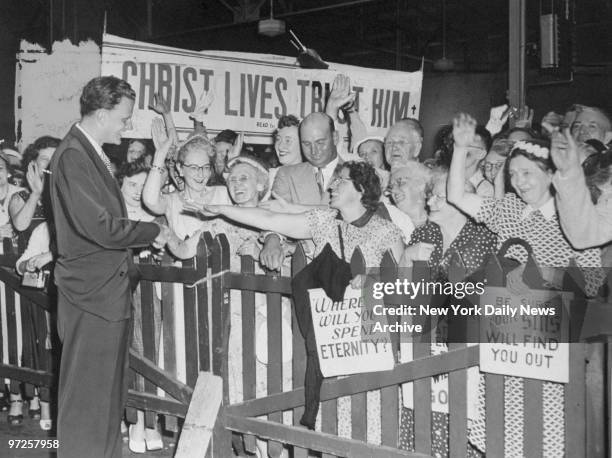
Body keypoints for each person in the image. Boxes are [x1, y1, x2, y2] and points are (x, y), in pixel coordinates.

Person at [185, 160, 404, 439]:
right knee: (330, 418)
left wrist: (373, 281)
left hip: (370, 338)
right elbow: (270, 221)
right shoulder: (323, 222)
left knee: (370, 417)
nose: (332, 186)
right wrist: (221, 209)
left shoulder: (387, 231)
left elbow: (406, 285)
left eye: (341, 181)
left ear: (361, 189)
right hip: (329, 336)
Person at [447, 113, 602, 458]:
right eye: (513, 174)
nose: (519, 181)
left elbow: (594, 281)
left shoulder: (574, 216)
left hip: (553, 350)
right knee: (503, 436)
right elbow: (457, 195)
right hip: (506, 343)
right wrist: (460, 149)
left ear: (551, 173)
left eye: (527, 173)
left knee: (547, 439)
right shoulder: (509, 210)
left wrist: (546, 279)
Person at [48, 76, 169, 458]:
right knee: (87, 404)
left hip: (103, 296)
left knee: (104, 400)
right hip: (91, 297)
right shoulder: (73, 156)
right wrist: (153, 230)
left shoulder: (88, 153)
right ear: (101, 114)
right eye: (123, 117)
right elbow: (98, 227)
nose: (127, 125)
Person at [260, 112, 341, 271]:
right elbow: (274, 212)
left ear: (335, 138)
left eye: (320, 142)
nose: (314, 151)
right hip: (304, 270)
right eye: (306, 144)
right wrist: (272, 239)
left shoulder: (358, 171)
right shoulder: (287, 174)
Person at [142, 130, 232, 240]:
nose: (201, 174)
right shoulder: (172, 201)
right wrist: (160, 156)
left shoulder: (223, 193)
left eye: (206, 167)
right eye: (194, 168)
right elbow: (150, 201)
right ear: (180, 169)